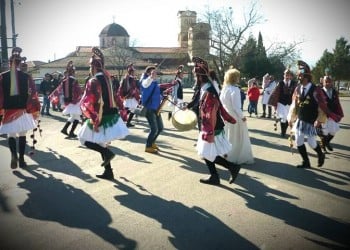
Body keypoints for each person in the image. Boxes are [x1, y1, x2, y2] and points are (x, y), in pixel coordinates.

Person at [78, 47, 129, 180]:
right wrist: (122, 110)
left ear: (93, 67)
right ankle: (109, 171)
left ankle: (107, 153)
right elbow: (116, 96)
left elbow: (88, 101)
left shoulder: (93, 80)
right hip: (112, 115)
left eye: (90, 66)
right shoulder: (108, 78)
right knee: (101, 142)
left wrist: (92, 118)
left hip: (101, 116)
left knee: (83, 139)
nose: (90, 69)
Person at [191, 56, 240, 185]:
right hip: (208, 126)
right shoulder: (205, 88)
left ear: (200, 77)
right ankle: (216, 175)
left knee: (206, 152)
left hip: (211, 126)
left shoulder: (209, 91)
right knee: (207, 152)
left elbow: (211, 113)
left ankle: (231, 168)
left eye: (195, 76)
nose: (194, 78)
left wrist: (209, 132)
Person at [0, 47, 41, 169]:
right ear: (20, 63)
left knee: (11, 135)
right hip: (23, 110)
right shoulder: (27, 77)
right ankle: (22, 160)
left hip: (9, 110)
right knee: (22, 135)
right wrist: (33, 107)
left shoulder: (2, 76)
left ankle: (14, 155)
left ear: (9, 63)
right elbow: (33, 94)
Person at [287, 60, 328, 168]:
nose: (298, 78)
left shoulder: (316, 90)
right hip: (301, 119)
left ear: (306, 77)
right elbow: (294, 104)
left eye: (300, 76)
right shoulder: (298, 88)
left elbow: (322, 106)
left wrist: (319, 120)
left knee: (311, 141)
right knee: (298, 140)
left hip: (311, 120)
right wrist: (291, 118)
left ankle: (320, 154)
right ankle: (306, 162)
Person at [220, 68, 254, 165]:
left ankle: (226, 153)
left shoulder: (225, 89)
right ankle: (234, 154)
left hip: (226, 115)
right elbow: (236, 107)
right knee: (236, 137)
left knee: (227, 135)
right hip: (234, 116)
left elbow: (222, 103)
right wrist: (242, 116)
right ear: (235, 78)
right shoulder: (234, 89)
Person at [50, 61, 82, 138]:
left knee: (73, 117)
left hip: (68, 102)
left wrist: (52, 96)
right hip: (75, 102)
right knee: (76, 117)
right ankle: (71, 132)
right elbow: (78, 91)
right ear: (73, 72)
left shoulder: (64, 81)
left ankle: (65, 129)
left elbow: (58, 90)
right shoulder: (74, 80)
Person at [140, 66, 164, 153]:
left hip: (156, 108)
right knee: (154, 129)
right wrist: (150, 77)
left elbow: (156, 94)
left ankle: (152, 142)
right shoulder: (145, 81)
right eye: (152, 73)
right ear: (147, 74)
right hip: (149, 109)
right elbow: (145, 84)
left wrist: (162, 95)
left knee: (160, 128)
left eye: (155, 73)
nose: (155, 74)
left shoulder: (154, 82)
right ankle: (148, 146)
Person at [268, 67, 298, 137]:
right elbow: (275, 93)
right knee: (282, 118)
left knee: (288, 118)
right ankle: (283, 132)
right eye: (286, 74)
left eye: (288, 74)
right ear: (283, 75)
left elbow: (297, 93)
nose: (287, 76)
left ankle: (284, 130)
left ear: (291, 76)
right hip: (281, 103)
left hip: (290, 104)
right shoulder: (280, 83)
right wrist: (274, 104)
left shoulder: (294, 83)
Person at [318, 75, 344, 152]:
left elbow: (337, 103)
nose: (328, 83)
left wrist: (338, 112)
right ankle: (324, 147)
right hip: (323, 114)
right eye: (326, 82)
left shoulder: (334, 92)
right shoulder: (320, 91)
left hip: (332, 114)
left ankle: (326, 143)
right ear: (323, 82)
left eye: (329, 81)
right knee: (325, 132)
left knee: (333, 131)